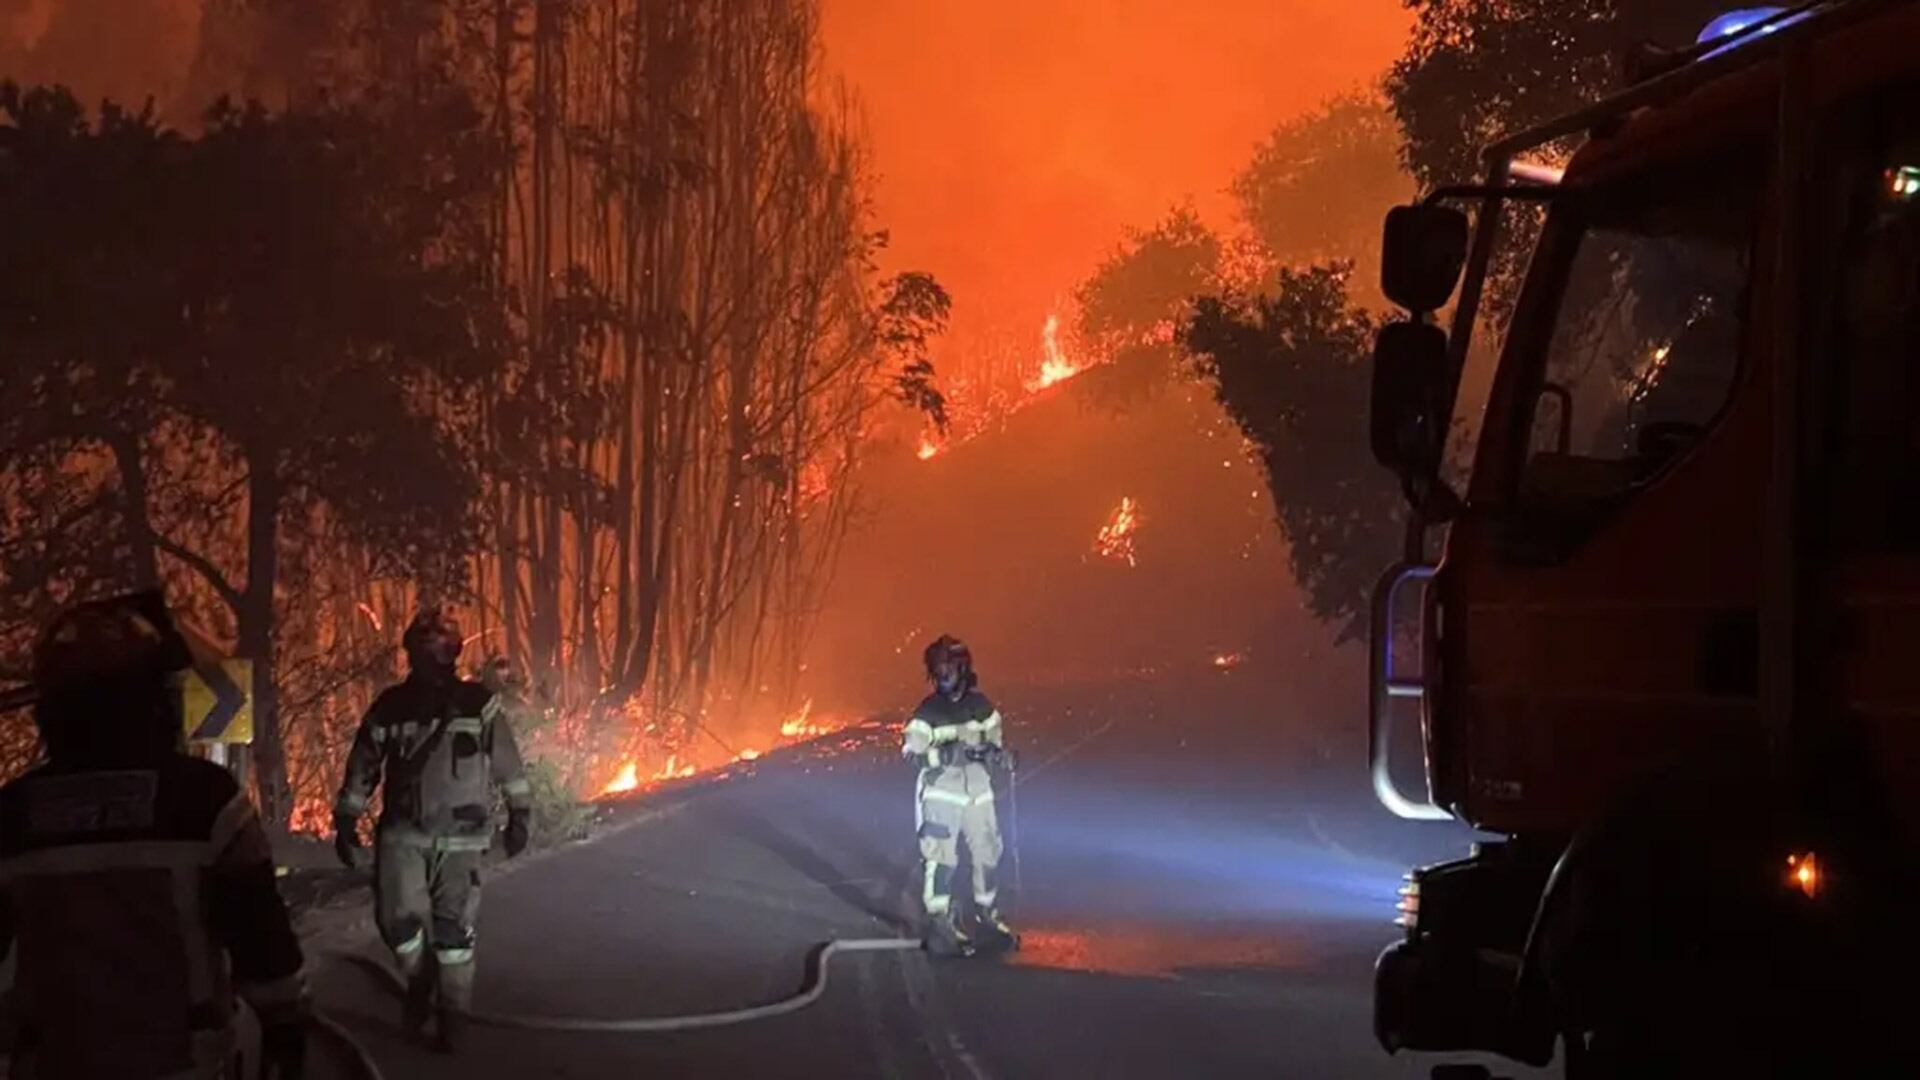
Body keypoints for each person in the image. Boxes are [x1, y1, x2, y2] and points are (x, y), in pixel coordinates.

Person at [0, 591, 308, 1078]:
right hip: (183, 1064)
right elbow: (259, 935)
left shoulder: (13, 814)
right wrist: (284, 1029)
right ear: (155, 698)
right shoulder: (205, 801)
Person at [332, 606, 533, 1051]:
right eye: (424, 650)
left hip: (462, 838)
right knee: (396, 923)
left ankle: (453, 1017)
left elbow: (508, 763)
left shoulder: (478, 705)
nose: (432, 658)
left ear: (454, 653)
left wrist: (520, 814)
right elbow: (364, 765)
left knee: (453, 933)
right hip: (403, 835)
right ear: (411, 654)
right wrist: (346, 819)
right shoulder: (390, 707)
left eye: (440, 649)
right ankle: (420, 980)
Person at [901, 635, 1018, 955]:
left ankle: (986, 914)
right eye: (936, 669)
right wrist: (942, 756)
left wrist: (1000, 756)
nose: (941, 675)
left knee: (988, 852)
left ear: (962, 668)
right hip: (941, 794)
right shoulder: (927, 713)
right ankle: (939, 922)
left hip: (978, 791)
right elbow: (911, 755)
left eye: (947, 668)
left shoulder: (982, 708)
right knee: (941, 857)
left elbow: (994, 742)